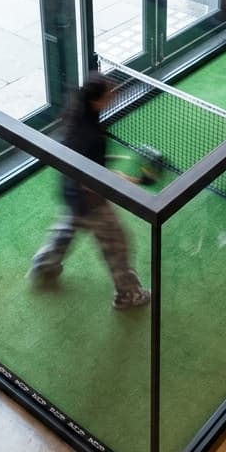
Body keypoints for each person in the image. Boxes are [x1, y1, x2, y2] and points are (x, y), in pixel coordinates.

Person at [28, 72, 152, 310]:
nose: (114, 94)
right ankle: (128, 295)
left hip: (70, 191)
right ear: (97, 100)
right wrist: (130, 180)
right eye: (110, 92)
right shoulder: (93, 136)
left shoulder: (78, 115)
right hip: (89, 200)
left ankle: (44, 264)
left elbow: (89, 167)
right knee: (117, 245)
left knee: (68, 227)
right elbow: (93, 180)